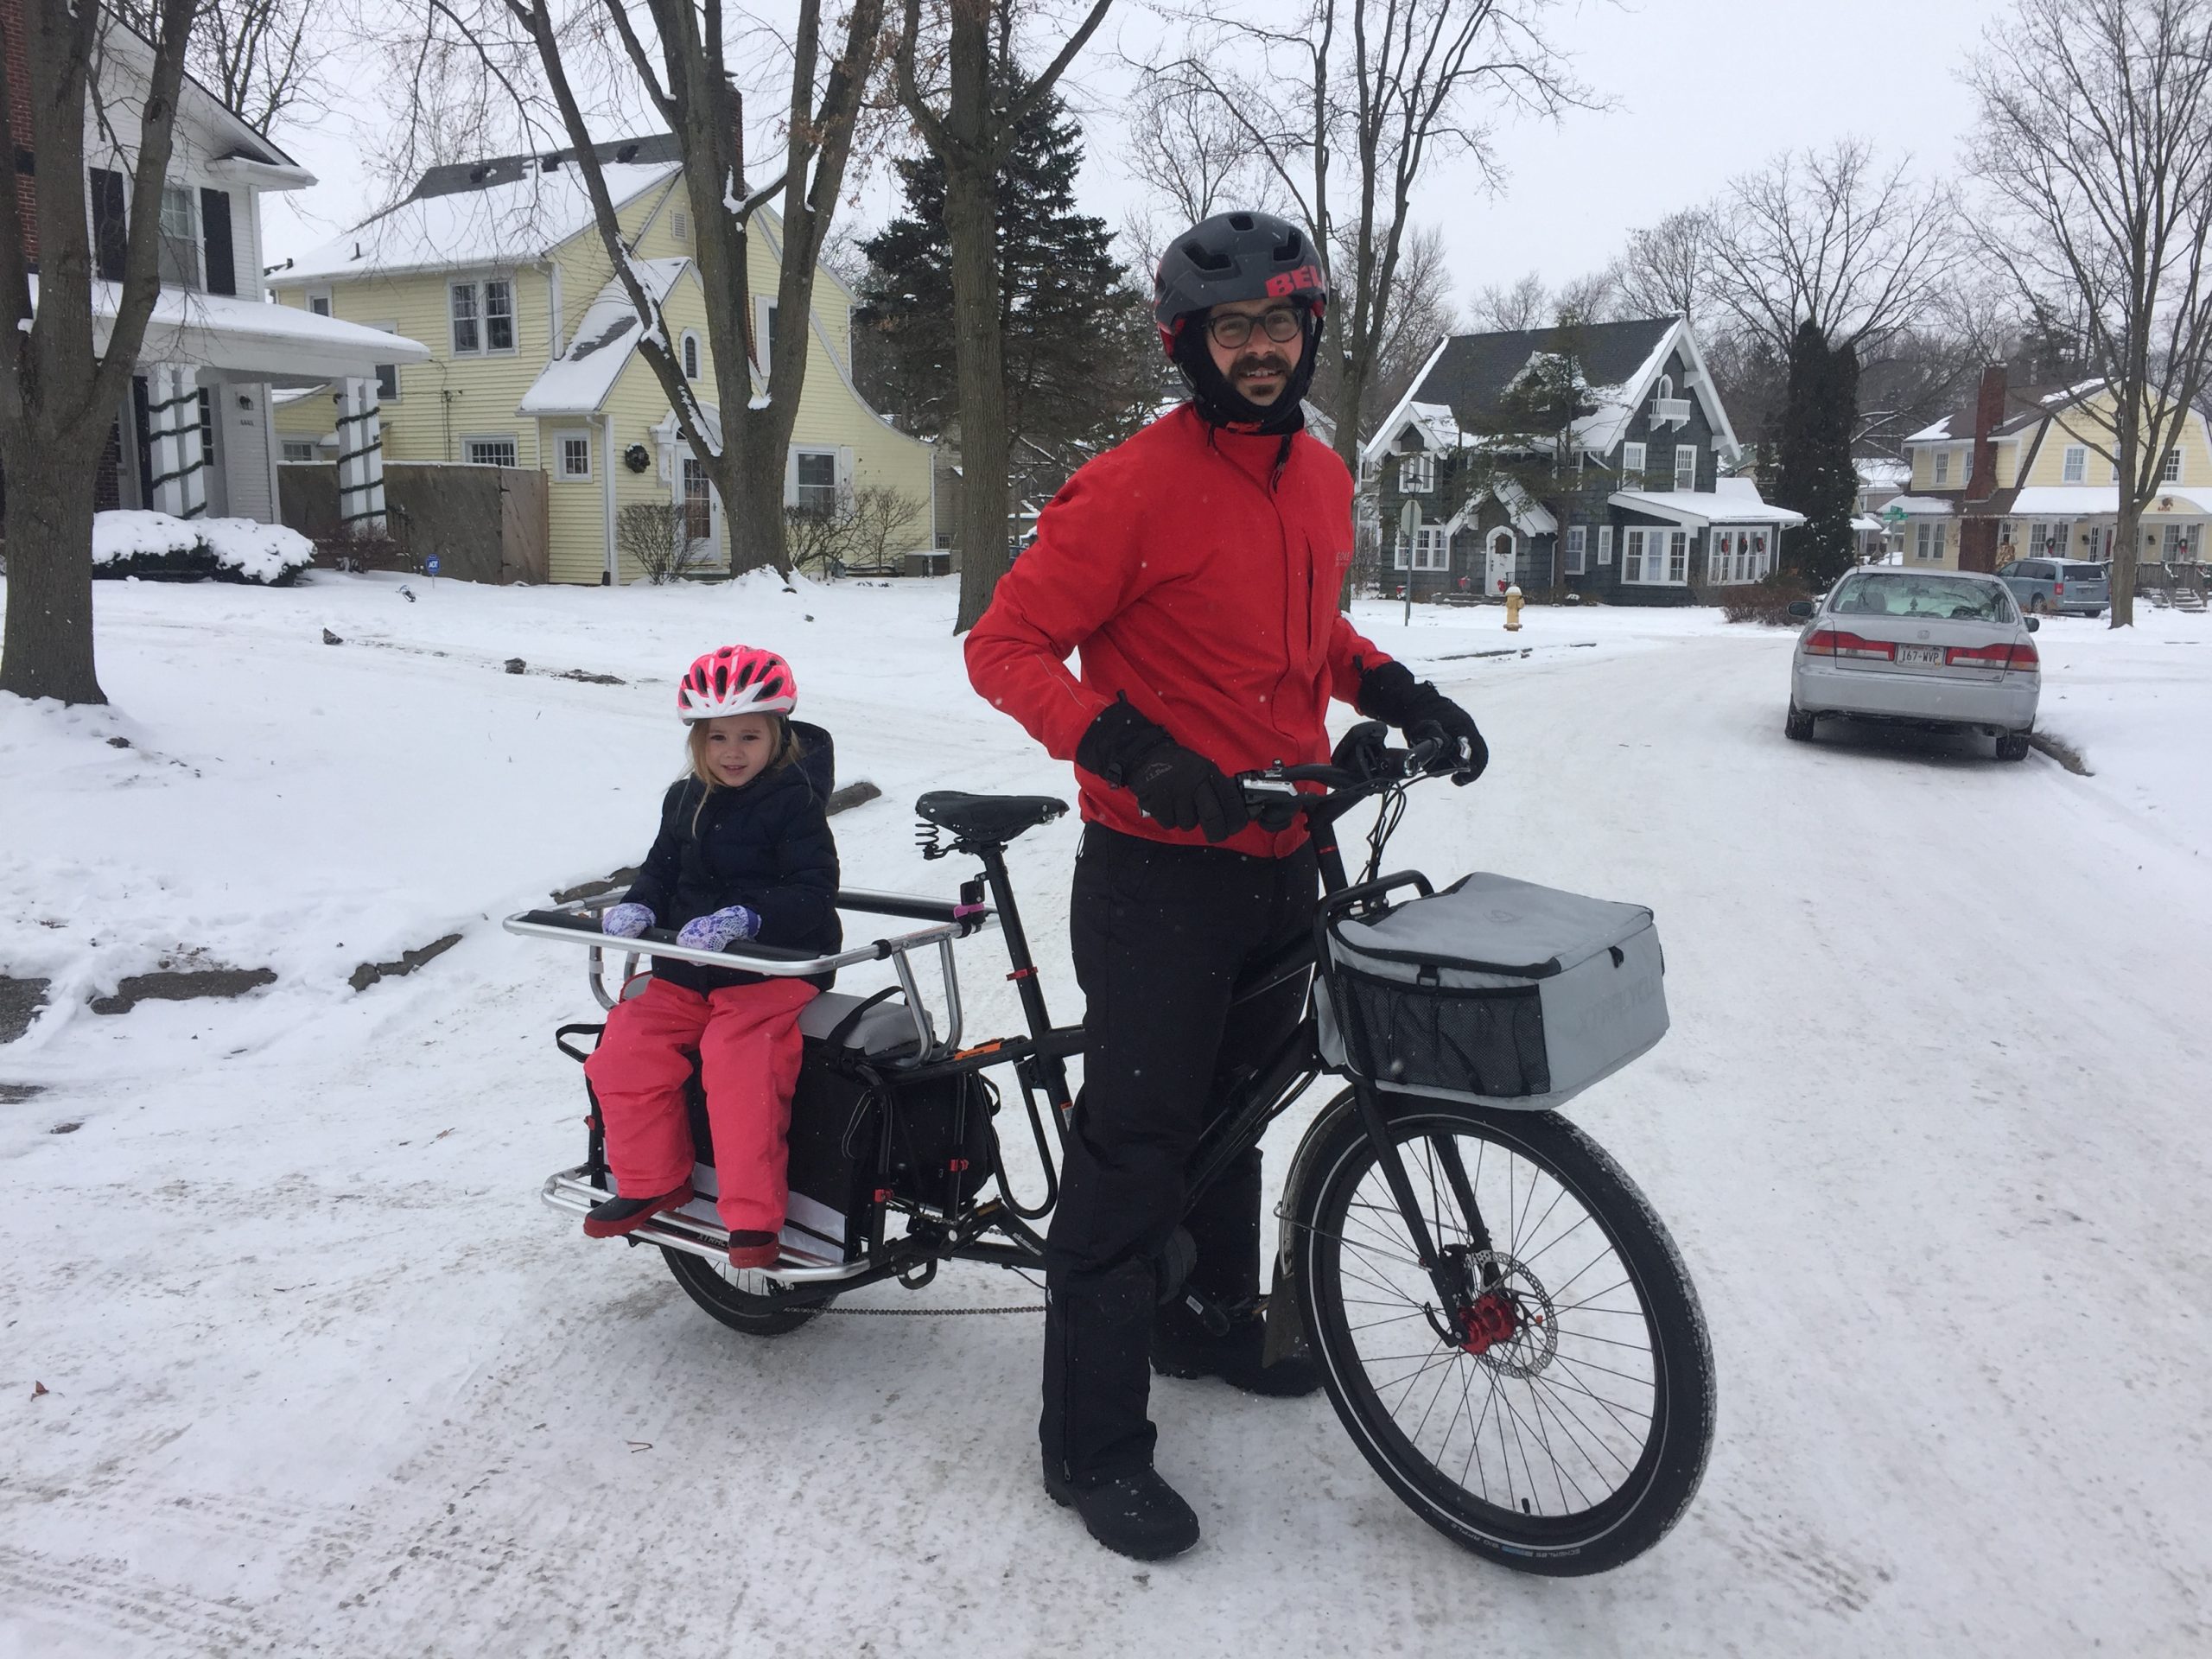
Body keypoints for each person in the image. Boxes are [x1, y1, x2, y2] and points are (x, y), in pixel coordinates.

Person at [964, 211, 1486, 1561]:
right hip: (1156, 878)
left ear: (1310, 330)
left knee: (1240, 1113)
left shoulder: (1320, 477)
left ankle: (1203, 1325)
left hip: (1281, 853)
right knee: (1134, 1151)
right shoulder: (1130, 488)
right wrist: (1128, 749)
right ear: (1187, 345)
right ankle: (1090, 1447)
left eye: (1279, 323)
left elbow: (1308, 630)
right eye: (1232, 328)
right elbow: (1006, 645)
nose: (1261, 349)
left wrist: (1397, 690)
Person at [582, 645, 841, 1271]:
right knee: (623, 1052)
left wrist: (748, 918)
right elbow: (661, 869)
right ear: (698, 741)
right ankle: (652, 1180)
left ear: (777, 736)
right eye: (718, 737)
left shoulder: (795, 801)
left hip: (769, 971)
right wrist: (640, 905)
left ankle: (752, 1219)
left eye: (749, 736)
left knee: (737, 1068)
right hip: (685, 971)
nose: (733, 752)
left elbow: (813, 889)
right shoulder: (684, 799)